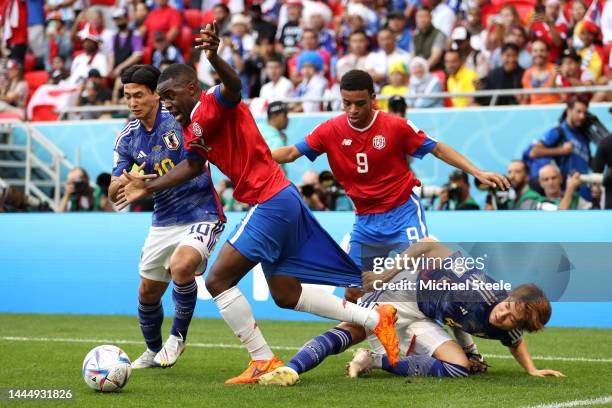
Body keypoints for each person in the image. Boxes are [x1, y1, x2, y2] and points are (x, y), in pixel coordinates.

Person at [116, 24, 401, 384]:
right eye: (163, 97)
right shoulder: (192, 127)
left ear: (191, 87)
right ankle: (377, 319)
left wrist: (215, 56)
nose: (167, 103)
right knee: (284, 293)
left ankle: (262, 360)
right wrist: (150, 186)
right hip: (281, 198)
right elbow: (192, 165)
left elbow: (234, 88)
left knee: (218, 279)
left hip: (269, 198)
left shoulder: (212, 103)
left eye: (170, 95)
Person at [272, 69, 508, 274]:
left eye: (360, 103)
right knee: (354, 289)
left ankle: (464, 307)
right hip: (364, 220)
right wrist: (250, 159)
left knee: (425, 279)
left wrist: (477, 172)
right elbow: (291, 153)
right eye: (346, 103)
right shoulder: (329, 130)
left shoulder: (396, 126)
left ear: (373, 98)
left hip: (402, 212)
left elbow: (437, 148)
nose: (352, 110)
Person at [259, 238, 563, 385]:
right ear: (508, 296)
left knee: (458, 369)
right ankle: (291, 370)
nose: (503, 316)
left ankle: (373, 361)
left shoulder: (509, 327)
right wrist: (383, 276)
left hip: (423, 316)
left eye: (513, 319)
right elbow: (428, 245)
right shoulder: (474, 283)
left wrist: (531, 370)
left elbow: (511, 340)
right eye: (507, 307)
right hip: (400, 292)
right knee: (354, 330)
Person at [108, 65, 226, 369]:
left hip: (201, 212)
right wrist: (121, 183)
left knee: (181, 266)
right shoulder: (128, 138)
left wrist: (145, 186)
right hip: (163, 220)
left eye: (138, 95)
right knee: (147, 292)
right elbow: (114, 190)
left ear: (155, 95)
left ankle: (177, 338)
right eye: (127, 96)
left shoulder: (178, 121)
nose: (132, 102)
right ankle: (152, 349)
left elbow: (196, 164)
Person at [528, 96, 593, 200]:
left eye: (584, 113)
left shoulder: (584, 135)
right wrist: (562, 150)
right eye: (578, 112)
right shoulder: (558, 132)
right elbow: (534, 152)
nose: (582, 116)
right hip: (566, 193)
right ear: (569, 111)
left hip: (584, 193)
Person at [521, 39, 561, 105]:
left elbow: (563, 96)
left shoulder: (556, 69)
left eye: (542, 50)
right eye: (535, 51)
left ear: (548, 53)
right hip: (533, 111)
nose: (538, 54)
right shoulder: (527, 73)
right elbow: (526, 98)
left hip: (553, 109)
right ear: (531, 53)